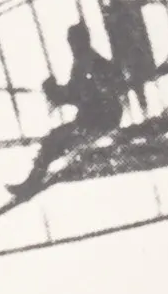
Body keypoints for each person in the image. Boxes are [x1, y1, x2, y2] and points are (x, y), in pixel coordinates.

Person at [18, 24, 124, 197]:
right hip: (100, 118)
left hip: (96, 122)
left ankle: (32, 182)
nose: (71, 46)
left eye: (73, 42)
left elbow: (76, 94)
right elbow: (77, 92)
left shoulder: (88, 64)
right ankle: (33, 179)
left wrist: (53, 91)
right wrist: (56, 92)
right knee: (54, 140)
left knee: (53, 140)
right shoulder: (88, 62)